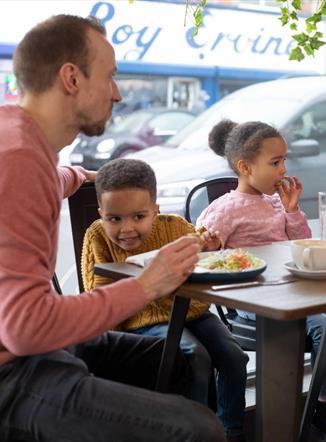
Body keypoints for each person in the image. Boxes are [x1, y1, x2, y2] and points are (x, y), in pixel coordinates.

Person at [0, 14, 225, 442]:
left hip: (25, 349)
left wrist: (80, 175)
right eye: (110, 77)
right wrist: (148, 285)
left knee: (184, 360)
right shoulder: (18, 161)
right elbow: (26, 327)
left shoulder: (22, 142)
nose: (118, 93)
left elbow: (51, 180)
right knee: (201, 430)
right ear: (71, 78)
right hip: (13, 368)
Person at [197, 119, 326, 442]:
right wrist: (209, 246)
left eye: (284, 160)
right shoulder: (223, 210)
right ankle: (324, 402)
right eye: (275, 162)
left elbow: (302, 245)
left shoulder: (275, 203)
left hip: (294, 295)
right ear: (245, 167)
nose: (284, 169)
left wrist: (293, 211)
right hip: (255, 305)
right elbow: (203, 250)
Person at [82, 158, 249, 442]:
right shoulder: (97, 236)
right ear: (101, 213)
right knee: (194, 356)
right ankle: (195, 434)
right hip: (140, 319)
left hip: (193, 311)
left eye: (138, 216)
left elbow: (201, 252)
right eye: (115, 219)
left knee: (234, 356)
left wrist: (211, 246)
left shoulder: (174, 226)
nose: (127, 229)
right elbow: (98, 297)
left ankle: (231, 432)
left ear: (155, 211)